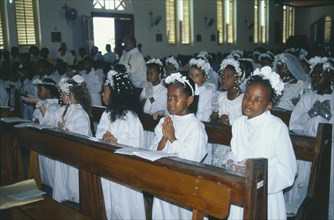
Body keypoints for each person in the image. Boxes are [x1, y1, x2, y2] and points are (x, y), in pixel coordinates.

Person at [222, 66, 297, 219]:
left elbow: (288, 172)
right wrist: (233, 163)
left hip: (266, 196)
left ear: (269, 105)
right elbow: (235, 152)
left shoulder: (277, 127)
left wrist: (258, 177)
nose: (249, 103)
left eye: (257, 100)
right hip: (241, 191)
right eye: (247, 96)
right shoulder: (238, 124)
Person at [149, 72, 208, 219]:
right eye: (169, 97)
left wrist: (173, 138)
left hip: (184, 184)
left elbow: (192, 159)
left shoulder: (195, 126)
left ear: (189, 100)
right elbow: (153, 151)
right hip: (164, 179)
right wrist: (164, 138)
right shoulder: (165, 120)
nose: (171, 102)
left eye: (176, 98)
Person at [287, 56, 334, 219]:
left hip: (331, 149)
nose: (315, 78)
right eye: (313, 74)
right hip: (309, 147)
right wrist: (311, 114)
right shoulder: (307, 99)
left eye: (320, 74)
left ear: (331, 76)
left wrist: (328, 115)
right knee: (305, 183)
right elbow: (293, 124)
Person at [95, 70, 146, 220]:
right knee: (111, 199)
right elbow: (99, 133)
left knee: (126, 204)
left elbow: (137, 144)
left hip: (125, 168)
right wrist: (104, 137)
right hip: (108, 164)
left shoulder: (131, 117)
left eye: (104, 91)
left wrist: (117, 142)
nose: (101, 94)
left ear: (114, 93)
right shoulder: (106, 114)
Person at [52, 75, 92, 203]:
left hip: (76, 151)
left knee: (73, 176)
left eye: (63, 94)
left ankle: (75, 196)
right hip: (65, 147)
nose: (61, 96)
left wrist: (66, 129)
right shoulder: (67, 109)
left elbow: (82, 134)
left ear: (71, 95)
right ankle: (63, 193)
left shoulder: (80, 113)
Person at [210, 58, 245, 166]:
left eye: (228, 77)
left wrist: (232, 122)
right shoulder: (219, 97)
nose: (224, 79)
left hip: (236, 142)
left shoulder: (244, 99)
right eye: (222, 76)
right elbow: (212, 120)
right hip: (220, 141)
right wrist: (219, 121)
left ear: (237, 79)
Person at [188, 57, 215, 122]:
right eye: (191, 75)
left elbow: (205, 114)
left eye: (197, 75)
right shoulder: (186, 89)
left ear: (204, 77)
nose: (193, 78)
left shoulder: (208, 92)